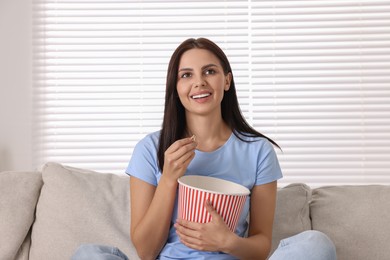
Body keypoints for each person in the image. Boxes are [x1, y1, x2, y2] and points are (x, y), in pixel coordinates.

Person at [72, 38, 336, 260]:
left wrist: (227, 241)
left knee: (315, 244)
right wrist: (169, 178)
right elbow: (146, 251)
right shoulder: (150, 149)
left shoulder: (258, 151)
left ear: (227, 81)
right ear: (176, 88)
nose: (199, 82)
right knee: (88, 254)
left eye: (209, 71)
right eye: (186, 75)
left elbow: (261, 245)